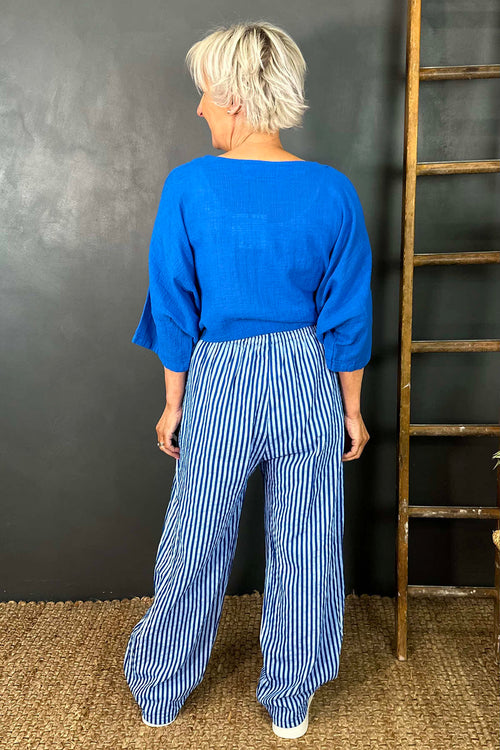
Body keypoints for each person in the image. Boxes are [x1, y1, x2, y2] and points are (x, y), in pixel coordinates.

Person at [123, 19, 372, 740]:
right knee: (308, 542)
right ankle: (291, 700)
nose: (199, 106)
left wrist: (173, 403)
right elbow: (347, 312)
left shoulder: (189, 185)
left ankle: (161, 691)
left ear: (232, 97)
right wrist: (352, 410)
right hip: (306, 375)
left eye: (205, 92)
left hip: (221, 375)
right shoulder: (332, 191)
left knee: (196, 536)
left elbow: (174, 303)